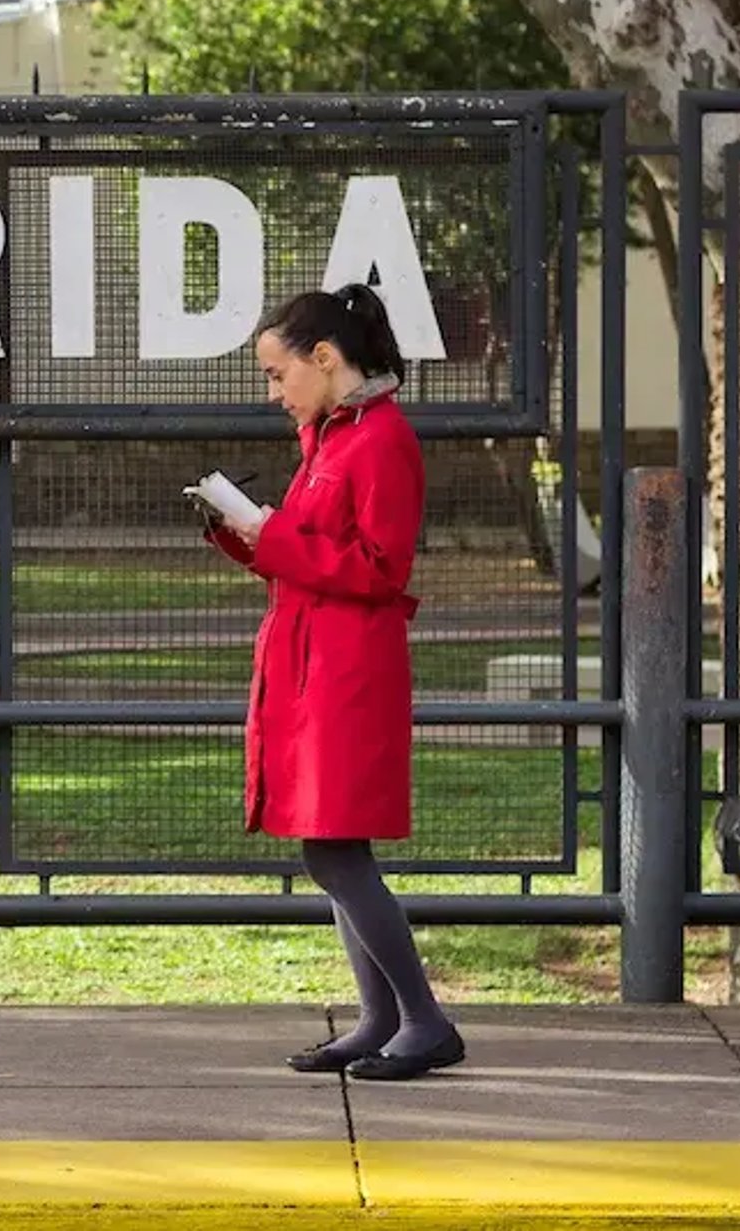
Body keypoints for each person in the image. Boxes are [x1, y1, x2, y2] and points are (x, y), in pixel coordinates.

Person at [200, 282, 464, 1082]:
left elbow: (381, 569)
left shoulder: (379, 439)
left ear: (325, 358)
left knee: (336, 848)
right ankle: (383, 1018)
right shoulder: (333, 437)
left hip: (349, 668)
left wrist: (271, 534)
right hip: (317, 661)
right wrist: (246, 538)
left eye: (280, 375)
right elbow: (311, 555)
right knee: (332, 844)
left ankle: (422, 1018)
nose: (274, 393)